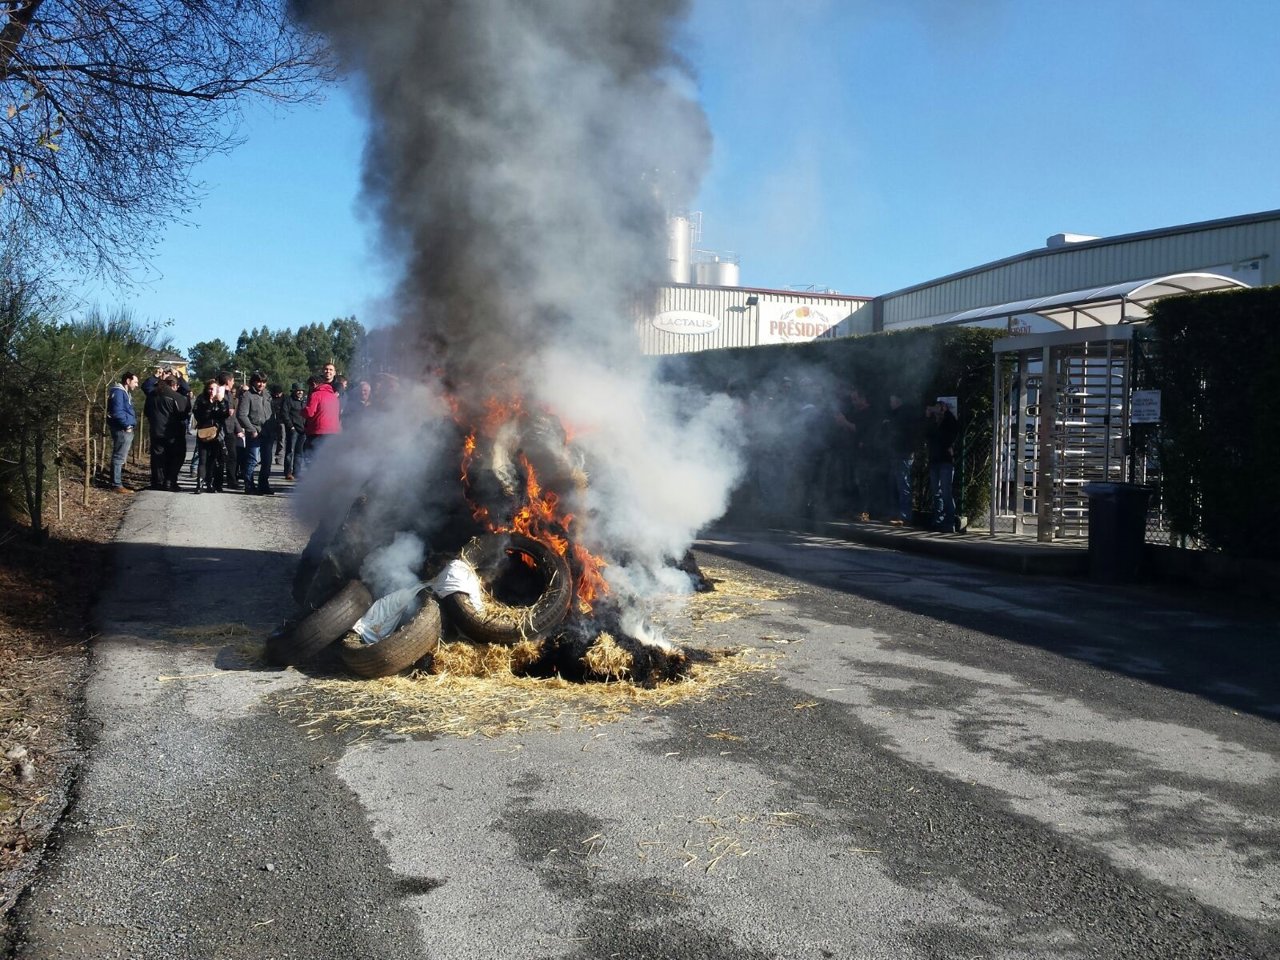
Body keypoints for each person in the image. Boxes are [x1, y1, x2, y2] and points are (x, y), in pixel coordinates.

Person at [144, 375, 191, 491]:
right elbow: (184, 414)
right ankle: (170, 481)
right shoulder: (176, 397)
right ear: (174, 385)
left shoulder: (152, 395)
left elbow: (146, 412)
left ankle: (158, 482)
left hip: (155, 430)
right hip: (173, 432)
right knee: (176, 457)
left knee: (157, 457)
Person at [237, 372, 277, 495]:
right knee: (252, 460)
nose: (261, 384)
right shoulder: (247, 396)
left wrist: (274, 429)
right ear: (254, 382)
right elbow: (242, 415)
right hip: (255, 433)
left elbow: (273, 414)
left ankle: (263, 485)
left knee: (267, 461)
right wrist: (252, 430)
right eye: (259, 381)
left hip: (268, 433)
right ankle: (249, 486)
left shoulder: (268, 395)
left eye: (264, 382)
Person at [926, 400, 961, 532]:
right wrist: (929, 417)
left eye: (938, 407)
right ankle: (938, 520)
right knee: (936, 492)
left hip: (945, 460)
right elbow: (927, 434)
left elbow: (953, 430)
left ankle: (949, 522)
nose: (936, 410)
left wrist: (941, 411)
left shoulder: (949, 421)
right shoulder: (934, 423)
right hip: (934, 460)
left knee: (946, 492)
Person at [881, 392, 916, 525]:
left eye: (892, 401)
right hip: (896, 453)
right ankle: (895, 514)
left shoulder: (904, 414)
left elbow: (900, 431)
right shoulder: (896, 414)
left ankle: (904, 515)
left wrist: (889, 424)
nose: (890, 404)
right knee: (894, 485)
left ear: (898, 401)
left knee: (902, 485)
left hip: (903, 454)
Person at [191, 379, 230, 493]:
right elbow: (199, 416)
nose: (212, 391)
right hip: (204, 432)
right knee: (202, 459)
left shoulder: (221, 399)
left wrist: (220, 402)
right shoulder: (201, 399)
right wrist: (210, 404)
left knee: (212, 460)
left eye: (214, 389)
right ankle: (199, 484)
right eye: (210, 389)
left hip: (216, 434)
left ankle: (209, 483)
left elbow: (225, 414)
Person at [106, 371, 139, 494]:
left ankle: (116, 483)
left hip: (124, 428)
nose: (136, 385)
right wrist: (127, 425)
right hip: (122, 429)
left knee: (120, 456)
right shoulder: (119, 392)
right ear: (128, 381)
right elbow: (117, 411)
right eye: (135, 382)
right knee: (119, 456)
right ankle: (116, 485)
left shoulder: (124, 392)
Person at [303, 367, 341, 464]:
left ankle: (312, 472)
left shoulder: (316, 394)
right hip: (333, 431)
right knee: (327, 457)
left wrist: (302, 411)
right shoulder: (333, 396)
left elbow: (310, 412)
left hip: (318, 431)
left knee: (310, 455)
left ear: (314, 384)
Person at [281, 382, 307, 480]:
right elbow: (284, 413)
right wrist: (290, 426)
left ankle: (297, 472)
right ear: (294, 391)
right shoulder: (288, 400)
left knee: (299, 452)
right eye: (298, 390)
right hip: (293, 429)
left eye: (301, 391)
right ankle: (288, 472)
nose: (300, 392)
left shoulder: (305, 401)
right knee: (290, 451)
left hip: (303, 430)